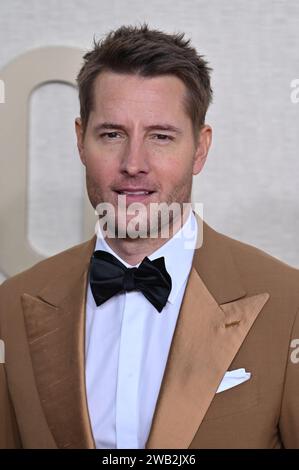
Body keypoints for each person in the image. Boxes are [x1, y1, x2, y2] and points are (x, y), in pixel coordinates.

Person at [0, 24, 299, 450]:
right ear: (80, 141)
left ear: (200, 149)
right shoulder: (10, 306)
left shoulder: (290, 303)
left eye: (160, 136)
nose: (133, 163)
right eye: (112, 134)